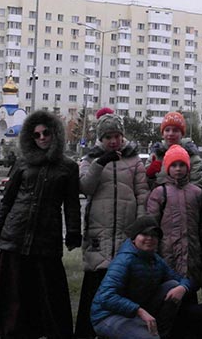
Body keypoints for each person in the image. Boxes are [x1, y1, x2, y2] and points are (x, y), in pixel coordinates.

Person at [0, 109, 82, 339]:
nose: (42, 138)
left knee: (49, 293)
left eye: (46, 133)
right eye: (36, 135)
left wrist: (74, 232)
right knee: (14, 293)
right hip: (15, 235)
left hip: (46, 237)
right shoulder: (23, 163)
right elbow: (8, 198)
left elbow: (71, 204)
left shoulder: (68, 167)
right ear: (30, 137)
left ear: (55, 134)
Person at [75, 113, 149, 339]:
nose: (113, 141)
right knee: (96, 283)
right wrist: (101, 162)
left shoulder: (134, 161)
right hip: (99, 230)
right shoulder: (90, 160)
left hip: (126, 231)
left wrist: (139, 228)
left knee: (122, 283)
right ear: (101, 138)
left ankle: (121, 330)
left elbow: (142, 194)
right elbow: (85, 187)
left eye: (116, 135)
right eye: (108, 137)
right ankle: (87, 331)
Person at [91, 216, 192, 339]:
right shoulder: (124, 260)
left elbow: (181, 279)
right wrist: (139, 311)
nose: (150, 238)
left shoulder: (156, 260)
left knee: (174, 285)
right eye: (144, 234)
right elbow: (106, 297)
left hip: (135, 311)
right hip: (108, 315)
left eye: (154, 235)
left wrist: (183, 287)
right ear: (134, 238)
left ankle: (162, 333)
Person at [146, 144, 202, 291]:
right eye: (174, 165)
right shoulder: (159, 193)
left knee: (189, 293)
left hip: (192, 253)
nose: (178, 169)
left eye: (182, 165)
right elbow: (152, 226)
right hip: (167, 253)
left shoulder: (197, 193)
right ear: (167, 168)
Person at [146, 112, 202, 188]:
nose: (171, 133)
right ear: (162, 134)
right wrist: (149, 176)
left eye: (175, 130)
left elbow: (196, 187)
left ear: (182, 134)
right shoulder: (155, 156)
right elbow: (143, 185)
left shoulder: (192, 157)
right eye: (167, 130)